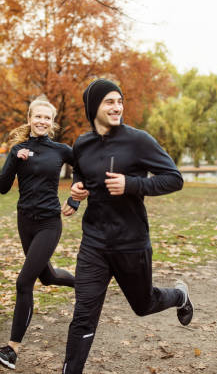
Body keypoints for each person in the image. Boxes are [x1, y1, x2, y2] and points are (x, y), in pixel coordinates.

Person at [61, 78, 193, 374]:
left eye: (120, 101)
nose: (117, 107)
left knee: (143, 304)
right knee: (83, 315)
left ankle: (180, 296)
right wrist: (76, 193)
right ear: (93, 106)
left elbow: (174, 178)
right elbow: (81, 175)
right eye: (109, 101)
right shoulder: (82, 144)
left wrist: (132, 184)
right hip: (94, 242)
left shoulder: (138, 140)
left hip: (130, 243)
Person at [0, 97, 79, 370]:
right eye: (37, 117)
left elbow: (83, 170)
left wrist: (75, 200)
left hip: (49, 223)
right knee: (48, 276)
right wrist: (14, 161)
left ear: (52, 123)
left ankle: (12, 350)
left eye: (47, 118)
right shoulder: (19, 149)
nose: (42, 121)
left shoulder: (62, 150)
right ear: (30, 119)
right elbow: (3, 187)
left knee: (23, 281)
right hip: (25, 221)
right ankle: (86, 283)